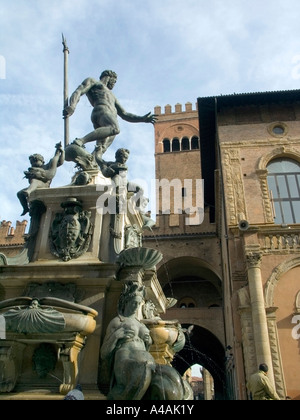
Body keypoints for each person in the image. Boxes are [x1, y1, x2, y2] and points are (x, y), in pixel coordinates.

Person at [63, 70, 158, 163]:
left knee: (100, 148)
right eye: (114, 81)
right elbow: (79, 91)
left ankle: (91, 163)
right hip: (102, 111)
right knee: (115, 128)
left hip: (110, 117)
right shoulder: (93, 81)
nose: (114, 84)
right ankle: (81, 141)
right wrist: (72, 106)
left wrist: (142, 119)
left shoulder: (112, 95)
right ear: (109, 77)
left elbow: (124, 114)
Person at [17, 142, 65, 216]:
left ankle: (28, 191)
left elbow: (59, 161)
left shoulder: (47, 166)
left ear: (41, 161)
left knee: (35, 181)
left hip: (44, 185)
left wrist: (61, 151)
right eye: (32, 162)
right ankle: (26, 208)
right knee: (19, 193)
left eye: (35, 161)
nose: (33, 163)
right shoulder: (34, 169)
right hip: (34, 186)